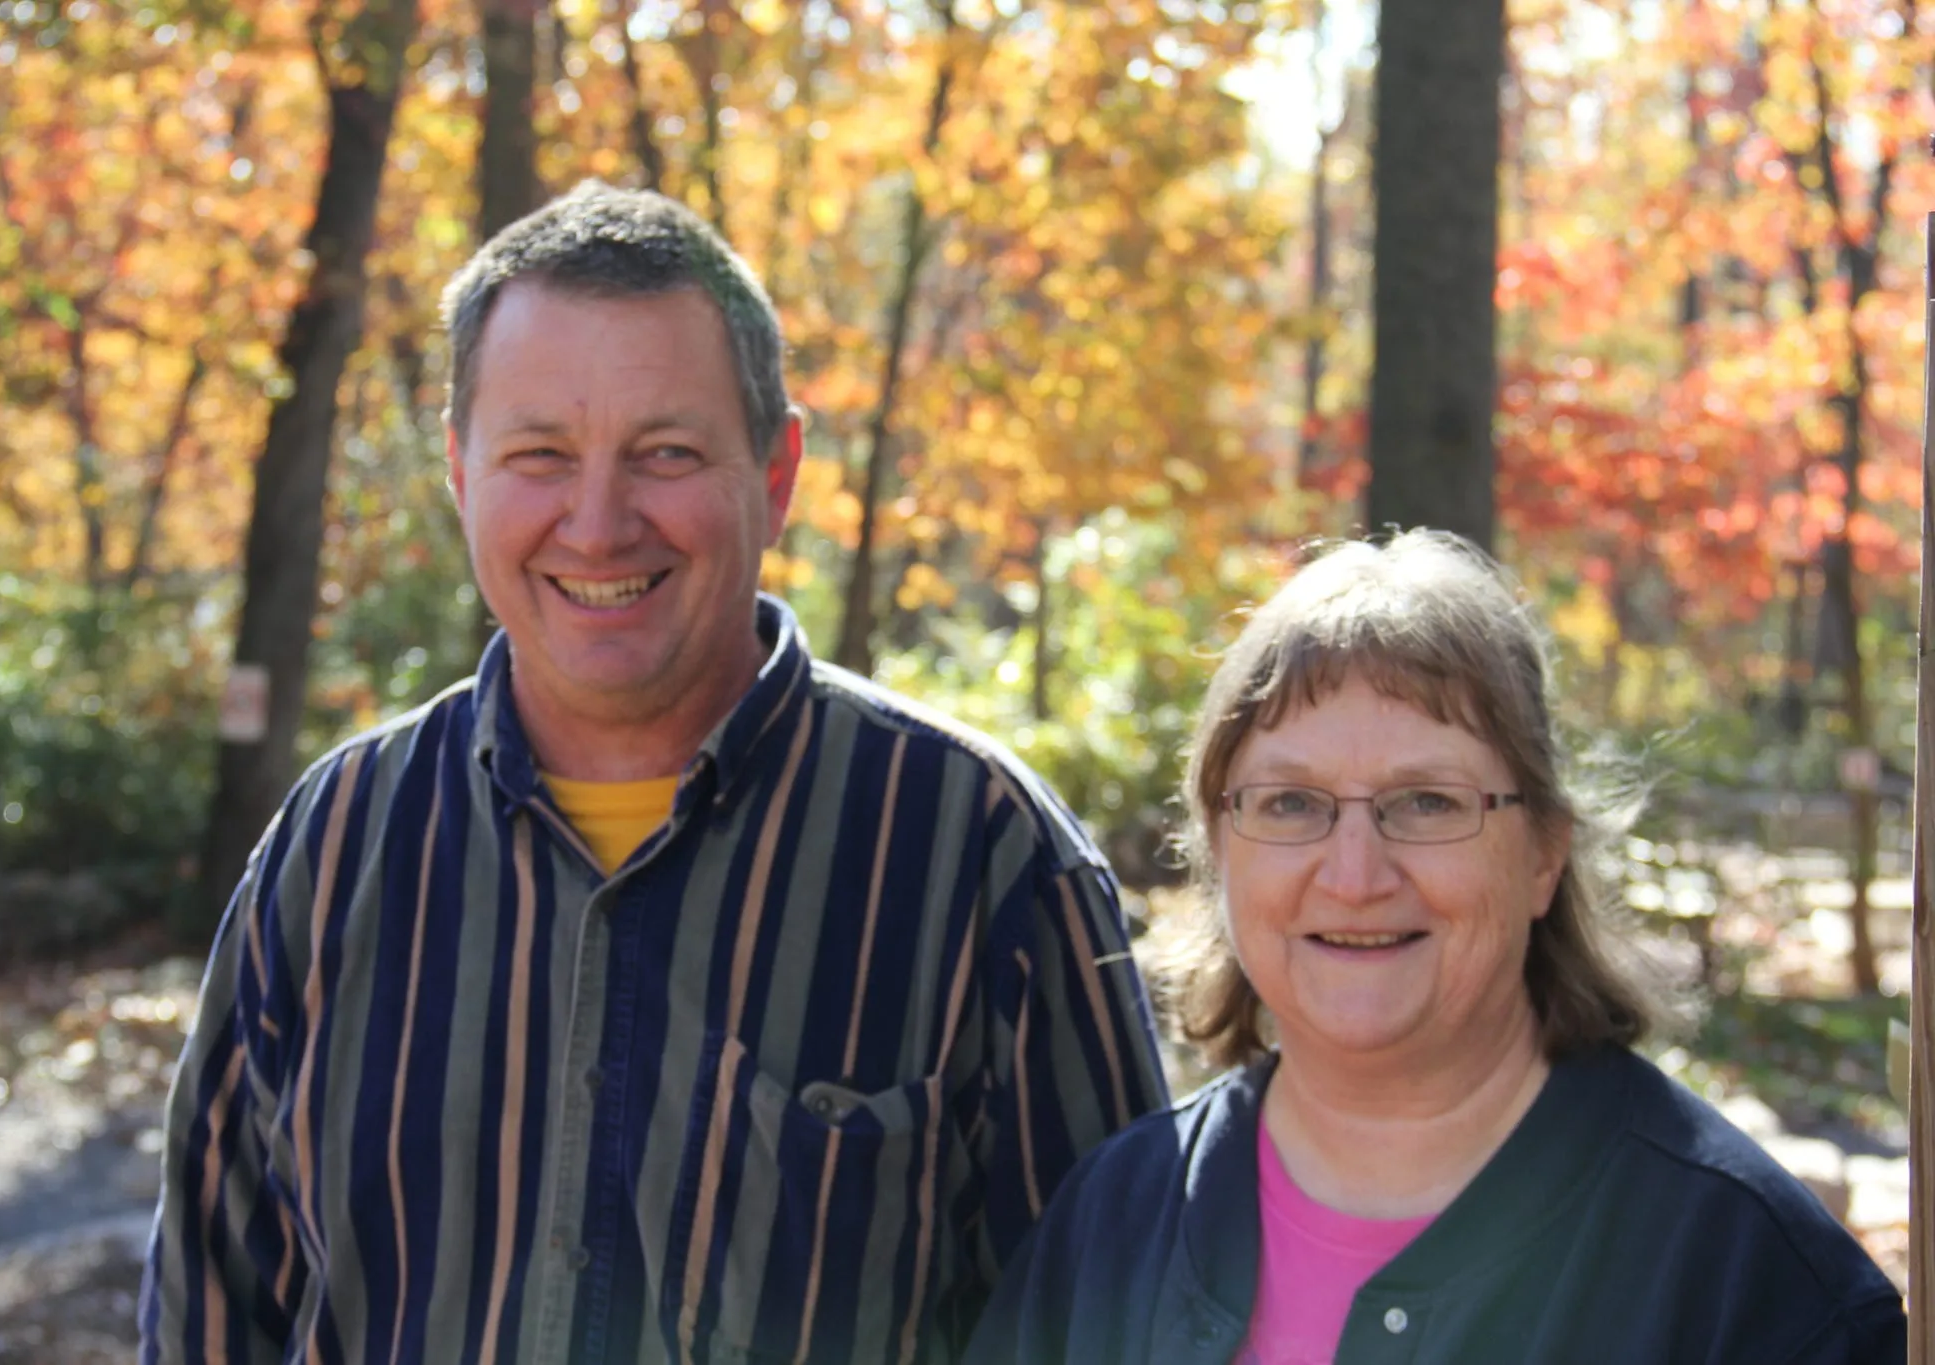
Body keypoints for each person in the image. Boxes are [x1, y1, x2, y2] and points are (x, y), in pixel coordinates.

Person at [140, 181, 1168, 1365]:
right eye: (539, 454)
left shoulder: (979, 854)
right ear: (461, 473)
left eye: (664, 452)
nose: (596, 522)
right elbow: (212, 1319)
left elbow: (1117, 1327)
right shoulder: (331, 851)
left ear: (775, 474)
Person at [966, 530, 1907, 1365]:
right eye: (1291, 803)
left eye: (1427, 803)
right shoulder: (1114, 1222)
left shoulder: (1746, 1282)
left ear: (1544, 853)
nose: (1355, 873)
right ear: (1219, 848)